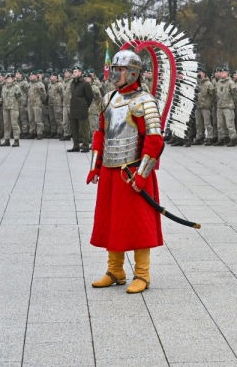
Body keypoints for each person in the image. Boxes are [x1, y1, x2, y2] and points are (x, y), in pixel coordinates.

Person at [87, 50, 166, 294]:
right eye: (115, 69)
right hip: (110, 172)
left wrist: (141, 175)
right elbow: (101, 133)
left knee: (138, 224)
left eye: (121, 70)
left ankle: (142, 274)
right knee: (112, 221)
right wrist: (95, 166)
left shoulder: (144, 101)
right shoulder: (108, 98)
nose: (116, 74)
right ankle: (115, 270)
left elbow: (154, 141)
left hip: (132, 172)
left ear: (133, 72)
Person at [68, 66, 94, 152]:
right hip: (73, 109)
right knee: (74, 129)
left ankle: (85, 146)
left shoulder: (85, 84)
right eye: (73, 72)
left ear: (80, 73)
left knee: (84, 129)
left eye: (76, 71)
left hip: (82, 109)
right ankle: (76, 146)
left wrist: (85, 105)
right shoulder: (72, 83)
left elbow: (90, 97)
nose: (74, 73)